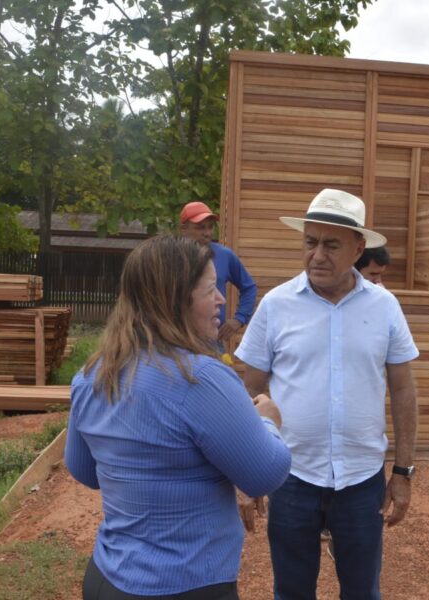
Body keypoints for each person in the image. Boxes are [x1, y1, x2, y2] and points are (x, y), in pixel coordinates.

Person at [65, 234, 290, 600]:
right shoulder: (200, 378)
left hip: (107, 578)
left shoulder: (92, 374)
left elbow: (84, 470)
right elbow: (265, 474)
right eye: (211, 290)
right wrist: (268, 421)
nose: (221, 300)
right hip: (185, 584)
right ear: (175, 301)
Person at [235, 188, 419, 600]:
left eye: (331, 244)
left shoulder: (386, 306)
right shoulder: (276, 305)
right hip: (291, 477)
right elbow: (248, 390)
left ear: (358, 249)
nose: (317, 254)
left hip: (361, 480)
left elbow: (404, 390)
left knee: (361, 593)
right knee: (292, 592)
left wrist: (403, 472)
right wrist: (247, 473)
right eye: (310, 242)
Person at [179, 201, 257, 346]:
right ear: (183, 229)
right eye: (200, 228)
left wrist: (239, 319)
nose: (207, 233)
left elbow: (249, 287)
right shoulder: (171, 257)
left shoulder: (224, 255)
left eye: (210, 227)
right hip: (177, 338)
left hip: (212, 342)